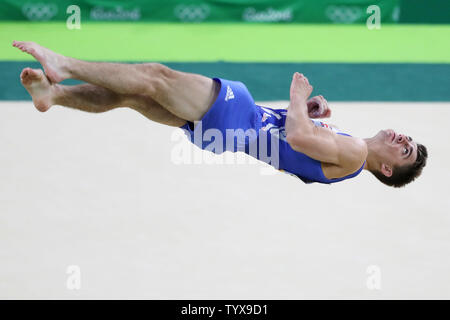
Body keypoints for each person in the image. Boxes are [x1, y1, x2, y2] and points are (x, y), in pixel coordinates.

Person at [12, 41, 427, 187]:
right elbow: (290, 139)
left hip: (237, 119)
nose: (403, 141)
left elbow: (298, 139)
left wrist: (299, 96)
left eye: (405, 152)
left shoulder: (356, 153)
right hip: (235, 132)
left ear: (387, 170)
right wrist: (304, 112)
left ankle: (64, 66)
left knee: (154, 77)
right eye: (409, 139)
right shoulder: (349, 151)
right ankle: (56, 96)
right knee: (136, 98)